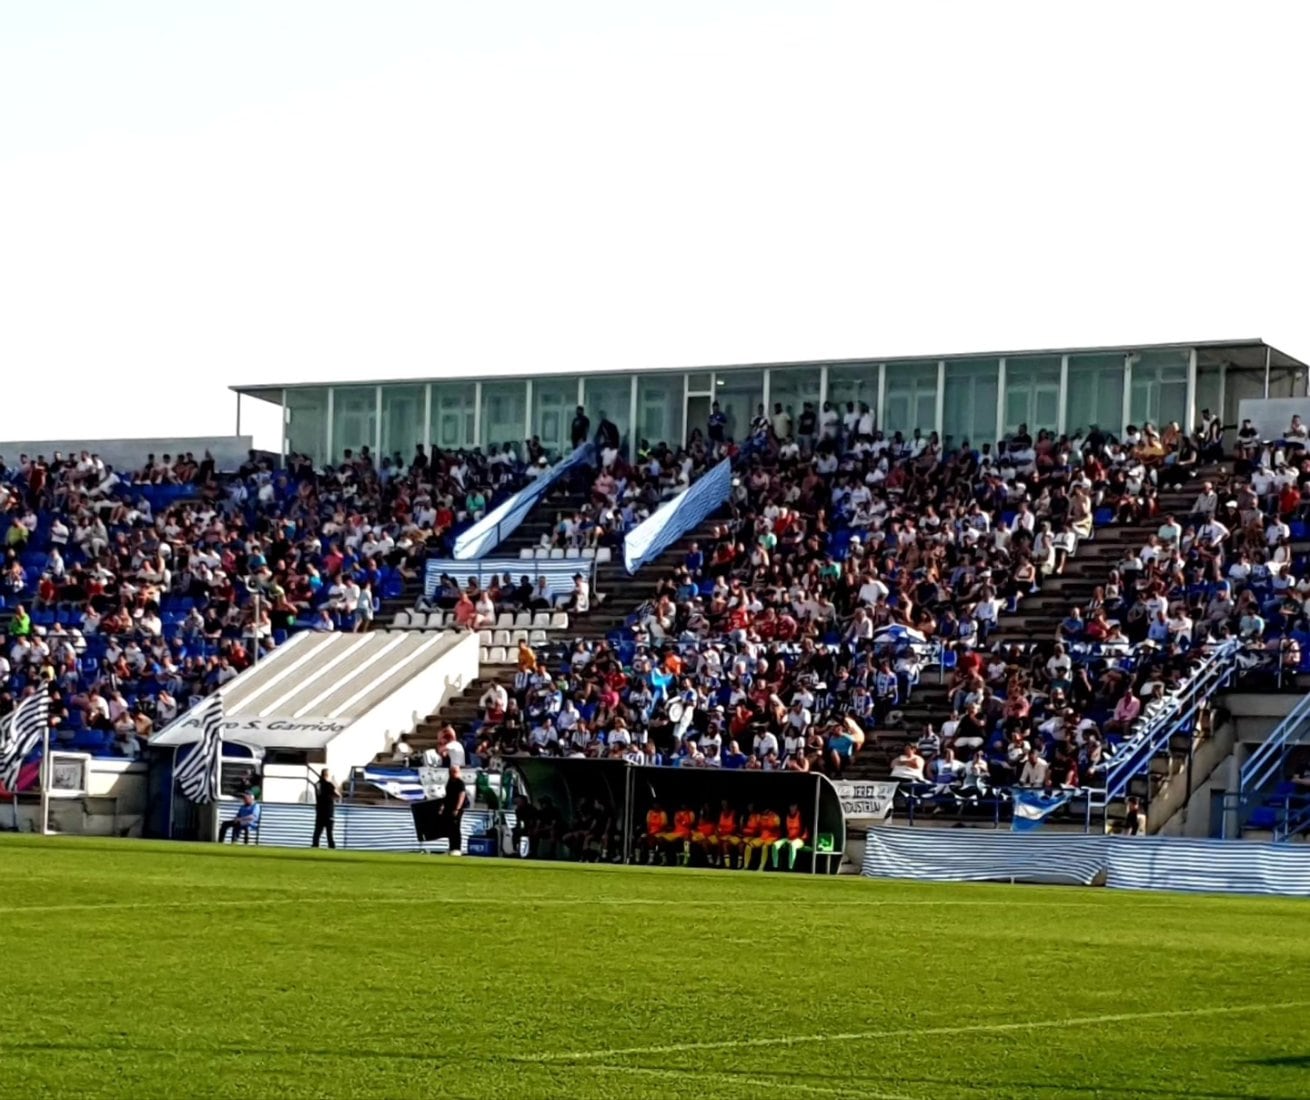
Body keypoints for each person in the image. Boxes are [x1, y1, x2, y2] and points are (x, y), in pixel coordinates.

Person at [770, 802, 809, 871]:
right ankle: (775, 867)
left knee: (792, 845)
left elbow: (806, 830)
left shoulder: (801, 816)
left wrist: (803, 838)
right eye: (791, 806)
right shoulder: (786, 816)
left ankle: (791, 868)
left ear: (796, 807)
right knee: (775, 845)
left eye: (794, 806)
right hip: (788, 838)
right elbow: (782, 829)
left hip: (799, 839)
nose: (792, 808)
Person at [442, 765, 468, 854]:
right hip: (449, 807)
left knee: (456, 828)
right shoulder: (450, 782)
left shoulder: (459, 782)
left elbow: (462, 796)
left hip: (456, 808)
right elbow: (447, 795)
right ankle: (451, 847)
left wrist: (457, 808)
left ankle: (457, 848)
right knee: (450, 828)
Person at [312, 768, 340, 849]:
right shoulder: (329, 785)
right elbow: (337, 795)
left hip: (320, 811)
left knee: (317, 832)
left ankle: (315, 846)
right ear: (327, 775)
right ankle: (331, 847)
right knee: (329, 833)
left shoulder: (317, 784)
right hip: (328, 811)